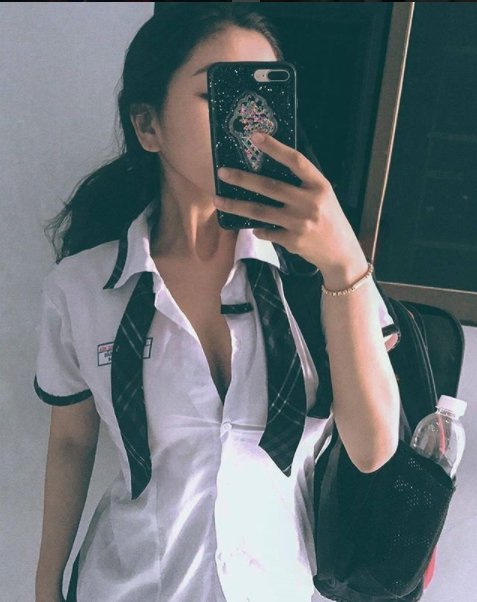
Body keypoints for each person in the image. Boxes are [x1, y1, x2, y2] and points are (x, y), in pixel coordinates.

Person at [33, 5, 400, 602]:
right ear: (148, 126)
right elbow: (72, 441)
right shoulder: (81, 288)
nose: (248, 121)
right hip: (128, 586)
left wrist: (343, 264)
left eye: (264, 97)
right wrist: (46, 586)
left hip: (276, 586)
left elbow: (373, 450)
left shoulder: (318, 274)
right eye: (217, 94)